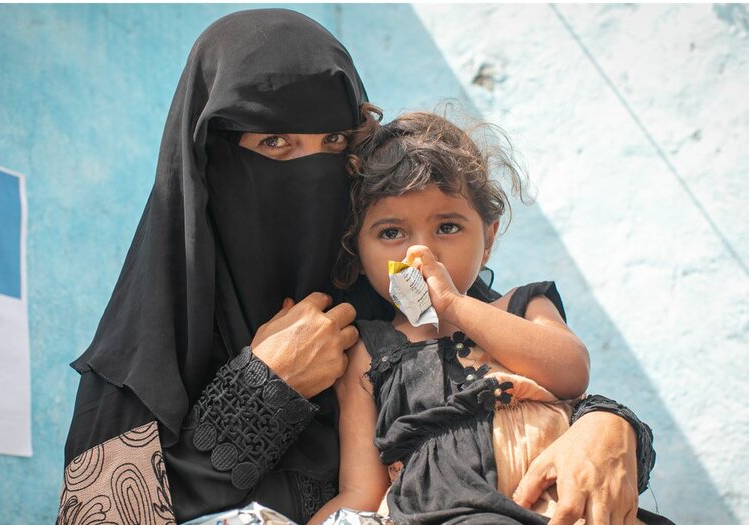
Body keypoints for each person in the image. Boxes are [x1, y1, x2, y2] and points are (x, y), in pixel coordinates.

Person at [59, 9, 657, 525]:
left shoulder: (403, 291)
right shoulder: (154, 340)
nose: (311, 174)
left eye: (337, 145)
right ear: (209, 160)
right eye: (275, 145)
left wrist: (611, 428)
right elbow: (100, 512)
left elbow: (523, 382)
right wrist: (263, 389)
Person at [309, 110, 671, 524]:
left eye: (447, 227)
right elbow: (360, 491)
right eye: (391, 233)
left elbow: (571, 372)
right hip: (449, 511)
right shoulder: (370, 353)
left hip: (560, 503)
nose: (420, 253)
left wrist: (456, 306)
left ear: (488, 239)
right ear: (358, 253)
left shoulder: (521, 306)